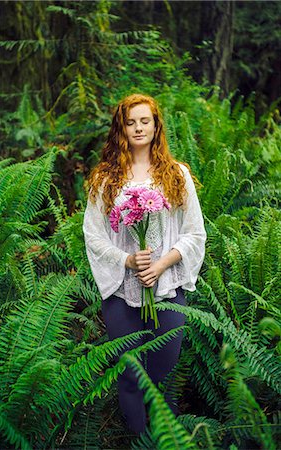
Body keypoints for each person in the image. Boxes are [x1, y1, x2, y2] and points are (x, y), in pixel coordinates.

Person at [82, 93, 207, 435]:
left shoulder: (176, 175)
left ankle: (165, 441)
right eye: (130, 121)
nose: (138, 128)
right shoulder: (106, 179)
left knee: (164, 380)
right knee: (130, 377)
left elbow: (195, 234)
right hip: (122, 293)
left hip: (166, 291)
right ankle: (138, 440)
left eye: (145, 121)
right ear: (121, 127)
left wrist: (162, 263)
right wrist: (128, 260)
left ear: (156, 126)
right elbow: (92, 235)